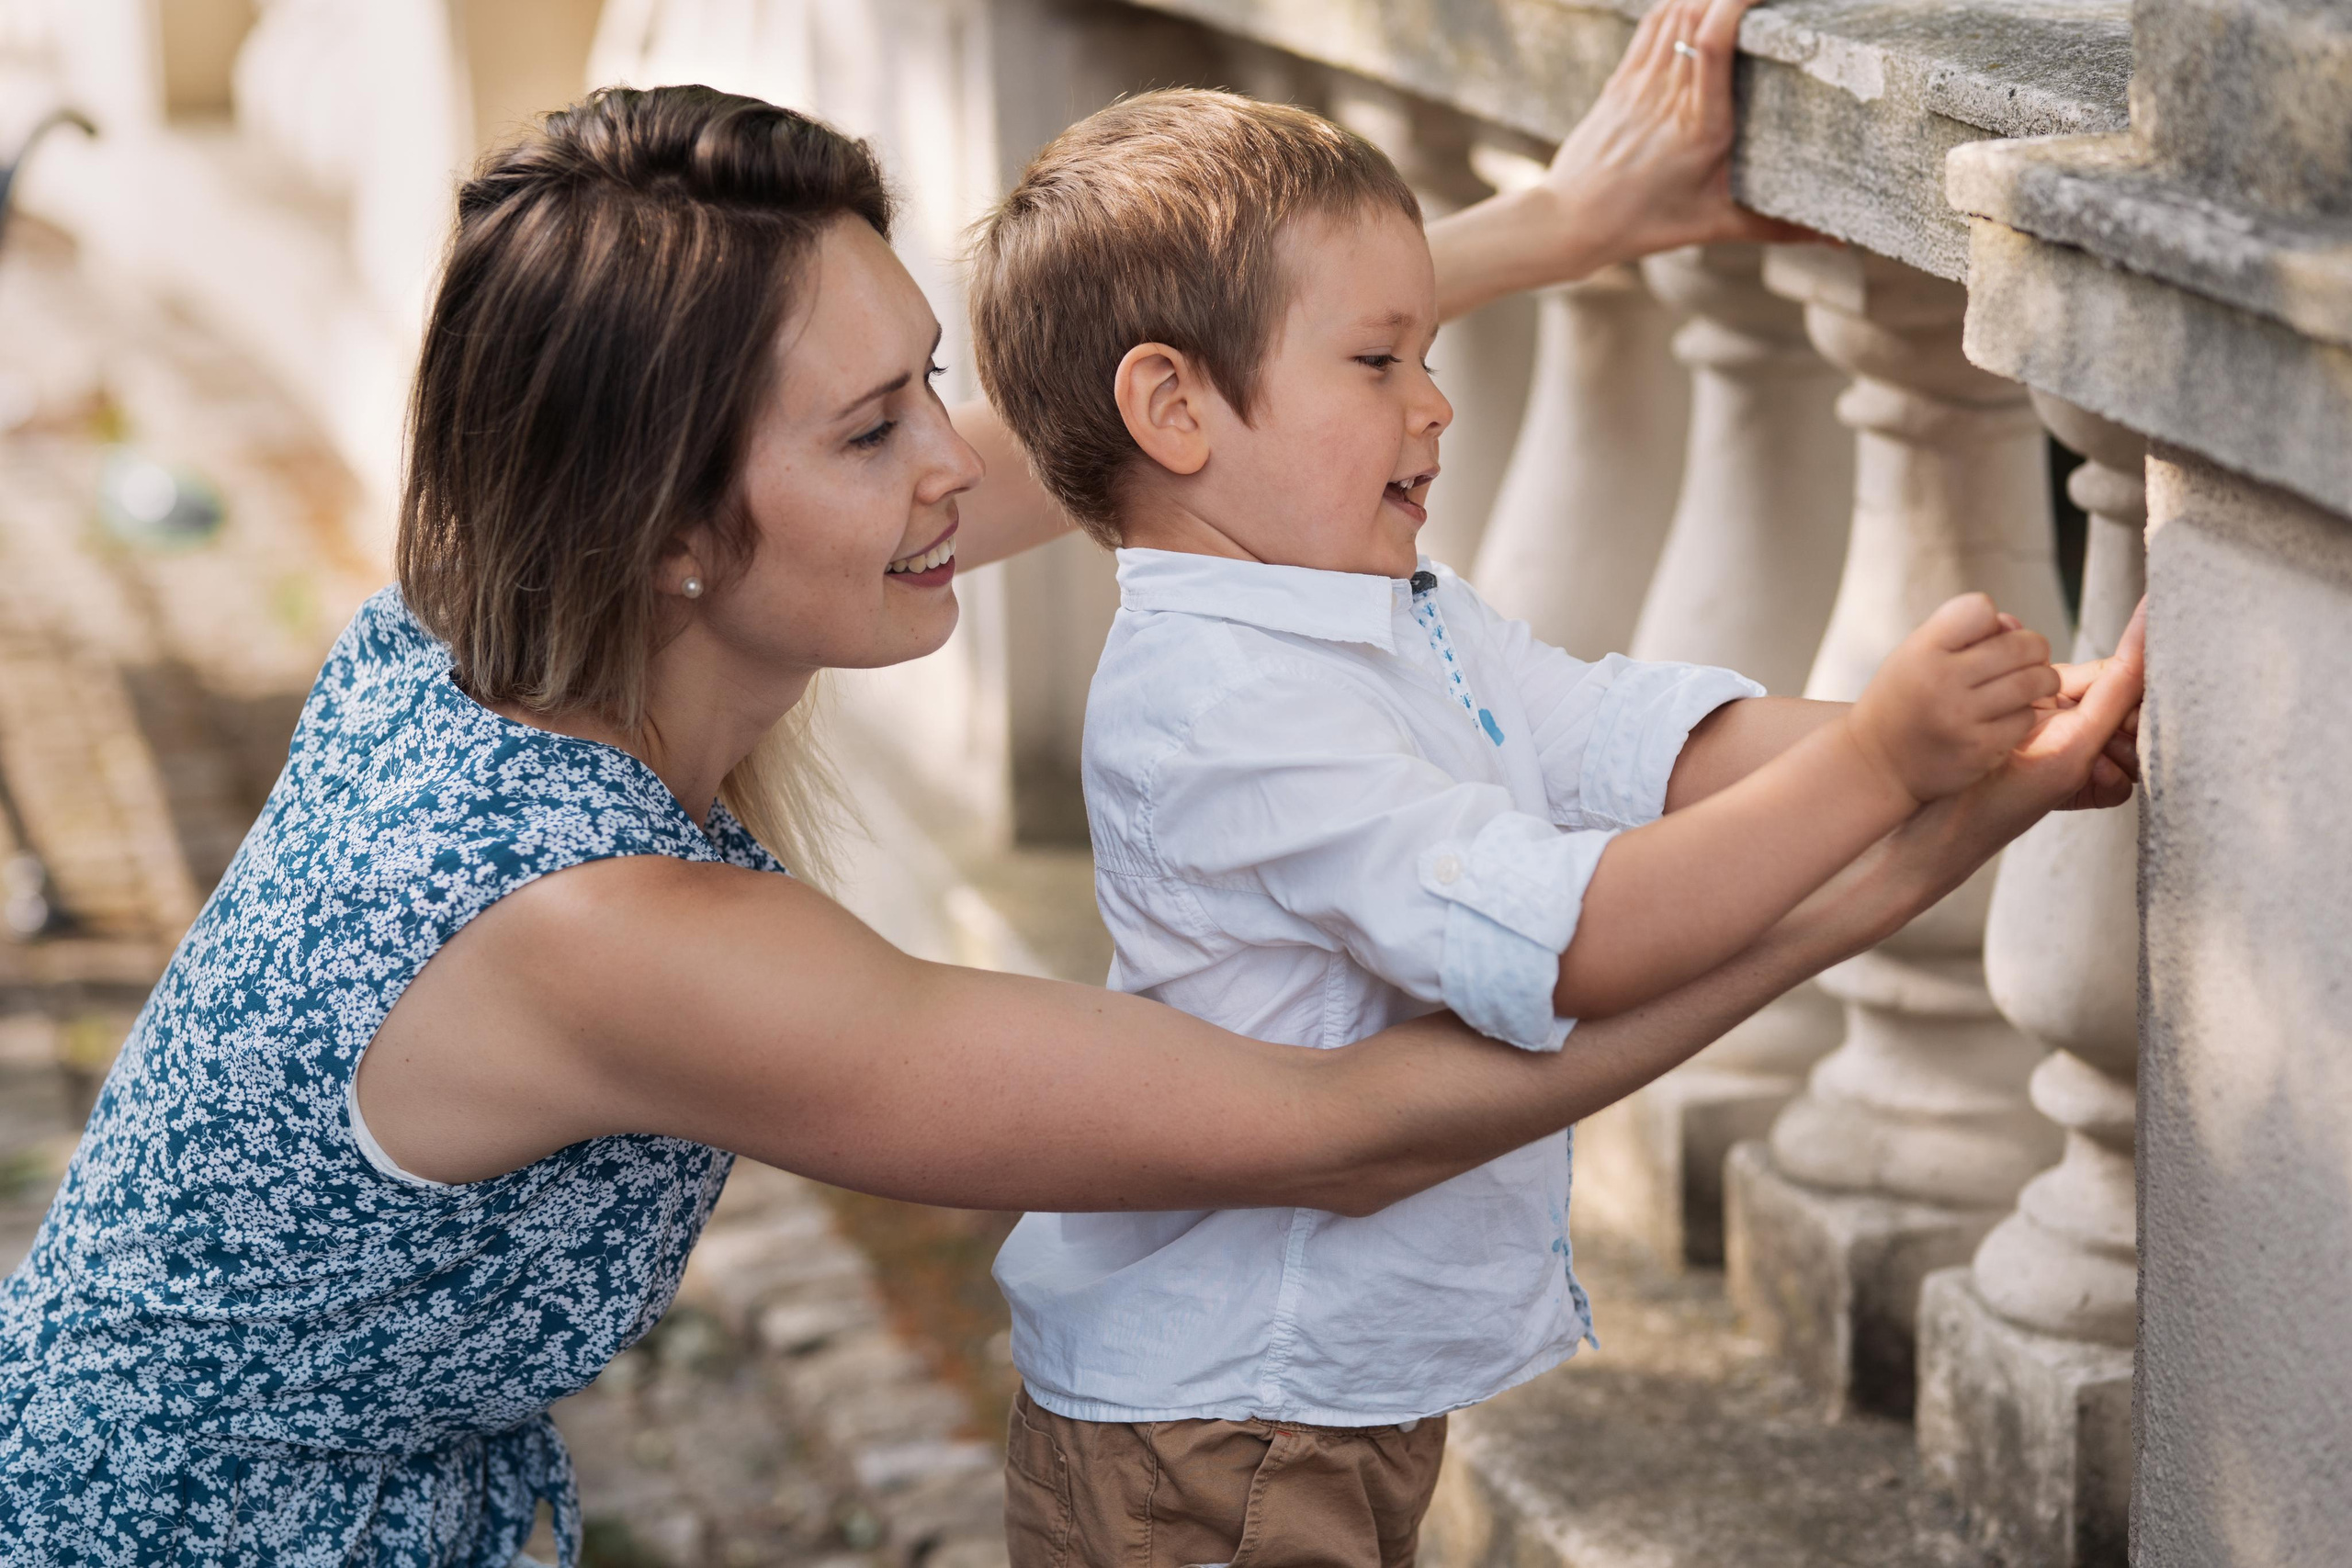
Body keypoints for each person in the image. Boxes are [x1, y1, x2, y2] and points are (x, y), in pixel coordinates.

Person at [0, 4, 2139, 1563]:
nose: (947, 457)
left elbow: (1133, 427)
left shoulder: (470, 625)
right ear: (665, 522)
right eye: (871, 427)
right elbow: (1337, 1131)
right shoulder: (601, 931)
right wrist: (1904, 841)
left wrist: (1539, 235)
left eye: (924, 370)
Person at [966, 73, 2142, 1568]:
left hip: (1309, 1398)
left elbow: (1636, 741)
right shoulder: (1222, 705)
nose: (1435, 403)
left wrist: (1981, 737)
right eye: (1378, 359)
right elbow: (1568, 937)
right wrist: (1885, 770)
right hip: (1223, 1432)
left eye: (1432, 355)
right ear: (1174, 407)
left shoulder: (1380, 611)